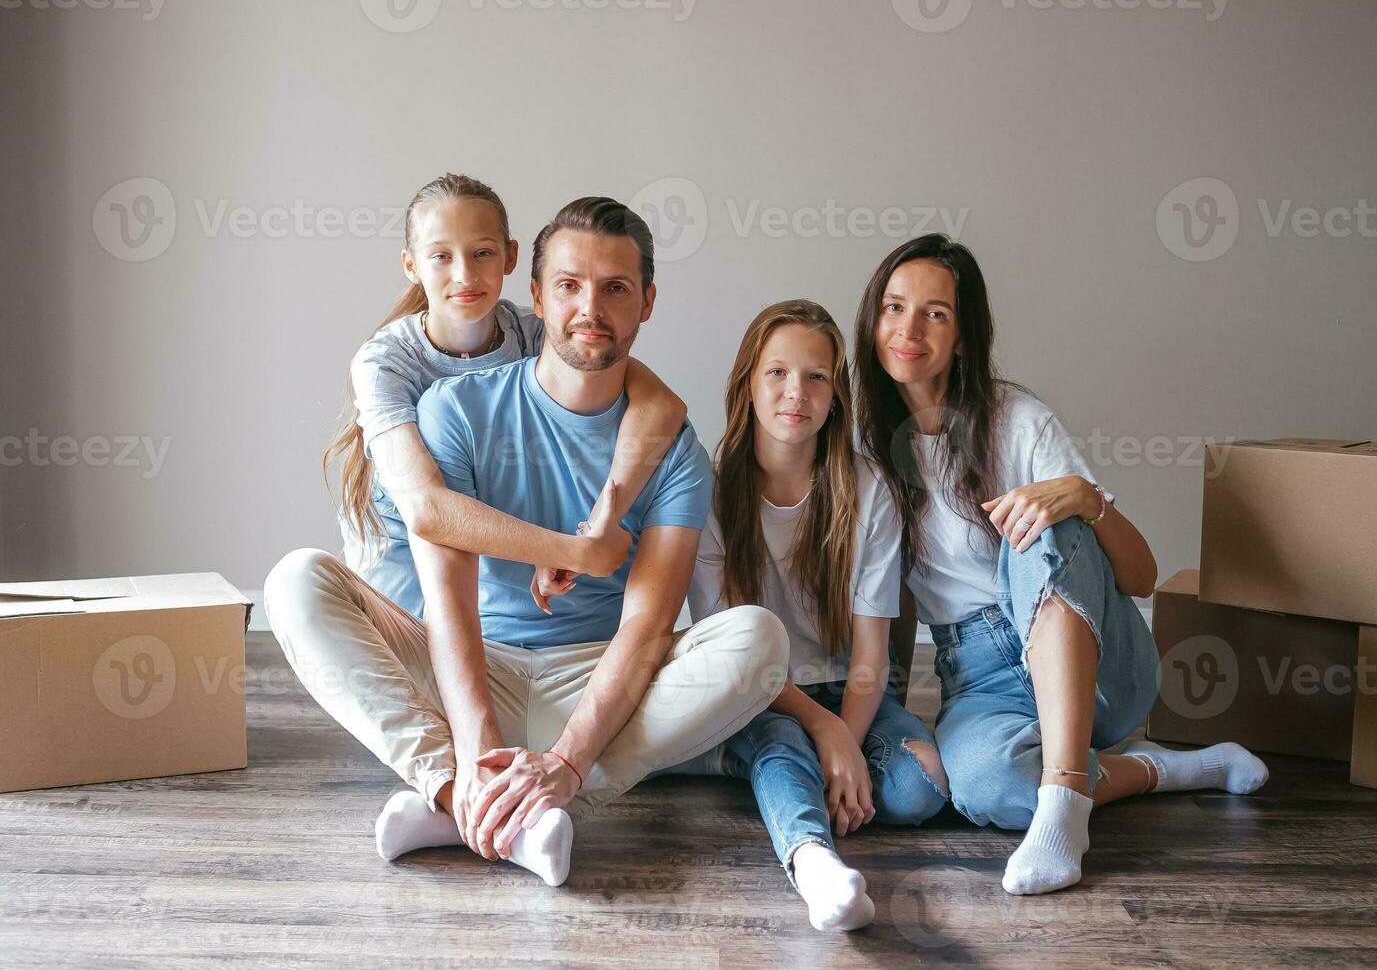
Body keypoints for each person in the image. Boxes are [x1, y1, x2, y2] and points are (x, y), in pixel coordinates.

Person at [264, 196, 789, 887]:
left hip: (594, 678)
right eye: (569, 286)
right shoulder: (453, 409)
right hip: (473, 670)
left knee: (758, 638)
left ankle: (535, 792)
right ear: (535, 296)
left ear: (647, 302)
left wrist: (567, 762)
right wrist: (478, 743)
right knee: (297, 580)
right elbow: (448, 605)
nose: (590, 308)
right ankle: (464, 793)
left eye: (616, 289)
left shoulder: (674, 451)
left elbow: (647, 627)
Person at [851, 234, 1268, 896]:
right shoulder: (868, 453)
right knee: (984, 787)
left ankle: (1068, 797)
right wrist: (890, 714)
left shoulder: (1018, 420)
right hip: (981, 680)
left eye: (935, 312)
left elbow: (1141, 578)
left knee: (1047, 517)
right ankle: (1160, 769)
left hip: (1100, 663)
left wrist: (1086, 500)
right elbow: (890, 601)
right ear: (873, 320)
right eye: (895, 307)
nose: (909, 329)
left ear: (962, 336)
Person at [684, 300, 950, 932]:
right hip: (759, 693)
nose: (794, 393)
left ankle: (762, 771)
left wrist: (846, 742)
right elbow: (732, 656)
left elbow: (870, 655)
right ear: (747, 384)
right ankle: (816, 868)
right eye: (776, 373)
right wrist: (823, 733)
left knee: (921, 786)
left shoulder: (867, 489)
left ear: (837, 394)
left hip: (848, 689)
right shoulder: (712, 493)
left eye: (816, 377)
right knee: (782, 743)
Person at [323, 172, 688, 621]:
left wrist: (600, 523)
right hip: (403, 571)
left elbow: (662, 407)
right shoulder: (385, 363)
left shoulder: (535, 334)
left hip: (497, 565)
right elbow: (427, 509)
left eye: (482, 253)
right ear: (411, 265)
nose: (464, 274)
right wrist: (577, 551)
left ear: (510, 257)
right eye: (441, 256)